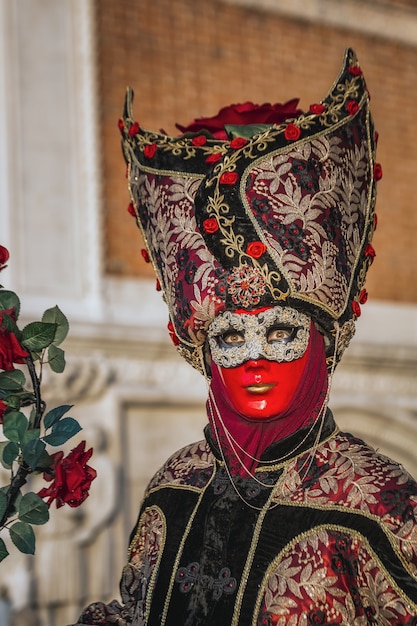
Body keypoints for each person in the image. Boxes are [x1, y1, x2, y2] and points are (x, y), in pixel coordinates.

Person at [72, 49, 417, 625]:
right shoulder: (175, 482)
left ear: (318, 347)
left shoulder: (381, 501)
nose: (254, 358)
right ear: (207, 355)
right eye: (231, 339)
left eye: (280, 331)